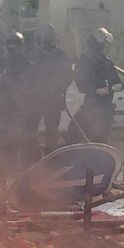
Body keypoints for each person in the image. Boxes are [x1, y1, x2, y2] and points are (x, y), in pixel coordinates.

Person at [0, 31, 39, 172]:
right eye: (10, 44)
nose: (12, 48)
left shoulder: (28, 65)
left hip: (25, 110)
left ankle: (31, 172)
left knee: (28, 141)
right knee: (9, 143)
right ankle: (11, 171)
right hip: (8, 109)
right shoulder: (1, 65)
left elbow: (33, 89)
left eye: (15, 44)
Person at [73, 27, 123, 144]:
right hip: (92, 107)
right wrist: (96, 90)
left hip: (106, 108)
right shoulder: (85, 60)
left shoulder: (106, 61)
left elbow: (118, 82)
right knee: (91, 139)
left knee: (104, 140)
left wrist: (114, 88)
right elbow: (80, 82)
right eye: (104, 43)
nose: (105, 46)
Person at [32, 24, 73, 153]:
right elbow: (28, 77)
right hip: (37, 99)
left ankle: (51, 156)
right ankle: (33, 155)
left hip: (53, 98)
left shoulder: (60, 55)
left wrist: (59, 89)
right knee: (32, 129)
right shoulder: (33, 55)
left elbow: (68, 76)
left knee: (52, 129)